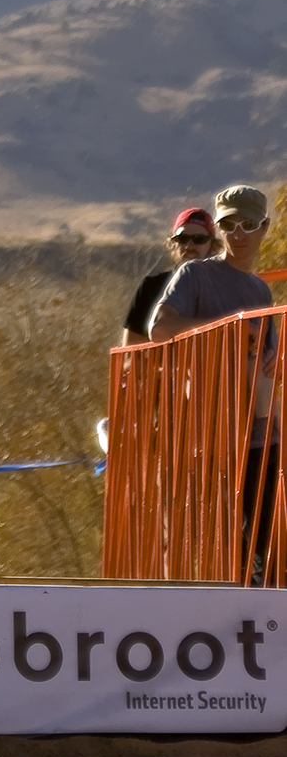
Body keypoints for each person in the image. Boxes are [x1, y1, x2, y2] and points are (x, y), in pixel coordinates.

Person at [150, 183, 279, 582]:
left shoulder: (261, 290)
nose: (238, 234)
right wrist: (229, 331)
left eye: (248, 225)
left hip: (259, 431)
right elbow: (160, 328)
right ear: (219, 230)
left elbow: (269, 361)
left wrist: (272, 361)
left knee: (269, 545)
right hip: (212, 431)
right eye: (229, 225)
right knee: (224, 548)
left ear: (264, 228)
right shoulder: (196, 275)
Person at [121, 208, 218, 346]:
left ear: (213, 246)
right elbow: (130, 353)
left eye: (199, 239)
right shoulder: (151, 287)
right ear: (173, 244)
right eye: (182, 239)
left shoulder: (223, 285)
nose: (189, 245)